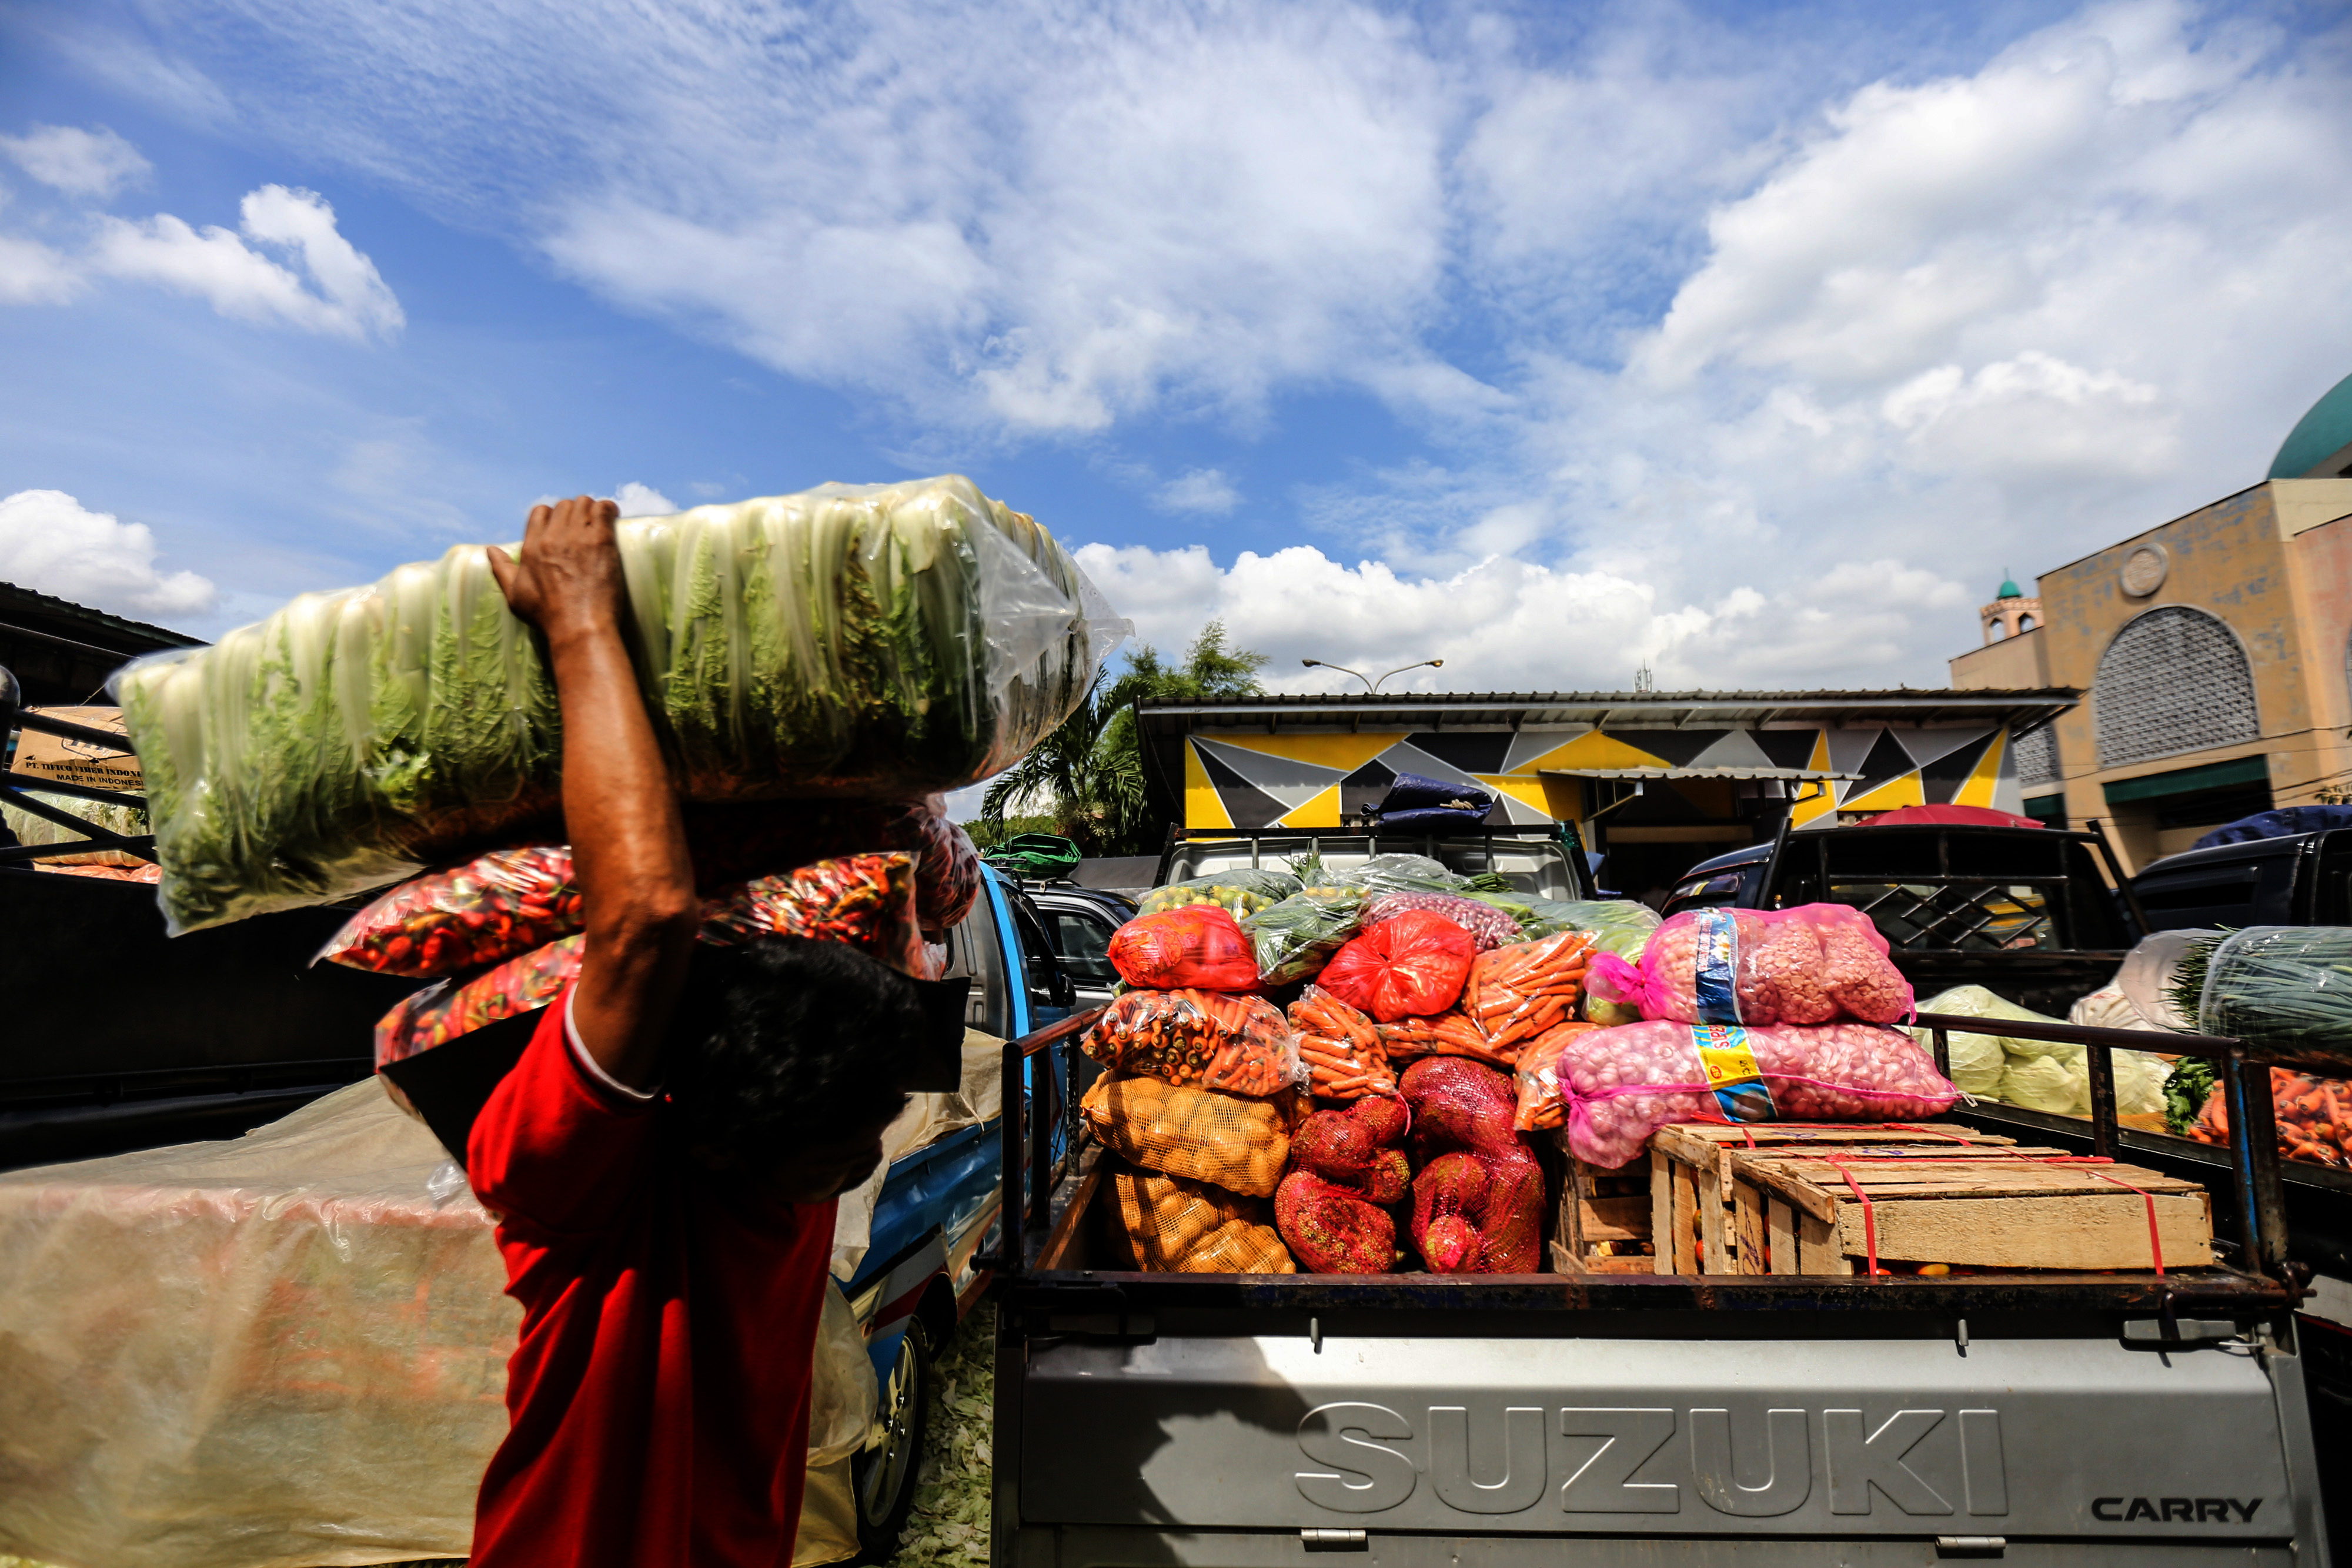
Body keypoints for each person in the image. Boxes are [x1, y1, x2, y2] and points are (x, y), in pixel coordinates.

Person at [465, 494, 923, 1567]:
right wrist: (579, 618)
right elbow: (642, 920)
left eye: (873, 1133)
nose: (864, 1165)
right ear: (712, 1136)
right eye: (846, 1148)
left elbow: (887, 878)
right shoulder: (577, 1189)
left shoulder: (792, 1156)